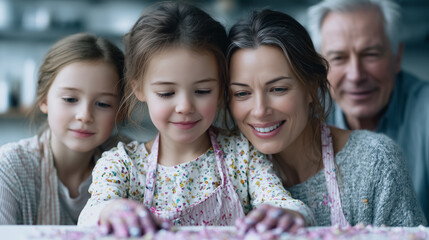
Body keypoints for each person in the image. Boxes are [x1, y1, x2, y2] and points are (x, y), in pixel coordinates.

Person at [78, 1, 316, 237]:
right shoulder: (121, 166)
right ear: (139, 88)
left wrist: (290, 214)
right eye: (167, 93)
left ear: (221, 86)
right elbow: (90, 215)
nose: (185, 107)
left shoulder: (242, 155)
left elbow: (284, 203)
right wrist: (110, 210)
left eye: (202, 91)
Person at [227, 9, 426, 227]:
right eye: (242, 93)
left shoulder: (376, 162)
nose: (259, 110)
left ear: (312, 87)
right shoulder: (223, 172)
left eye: (278, 89)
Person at [307, 0, 429, 221]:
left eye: (370, 54)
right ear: (320, 66)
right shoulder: (304, 116)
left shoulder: (425, 109)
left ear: (397, 57)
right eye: (339, 58)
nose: (356, 75)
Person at [0, 33, 125, 225]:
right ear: (43, 100)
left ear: (121, 110)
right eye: (70, 99)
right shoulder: (9, 167)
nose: (84, 115)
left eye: (102, 103)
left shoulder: (133, 164)